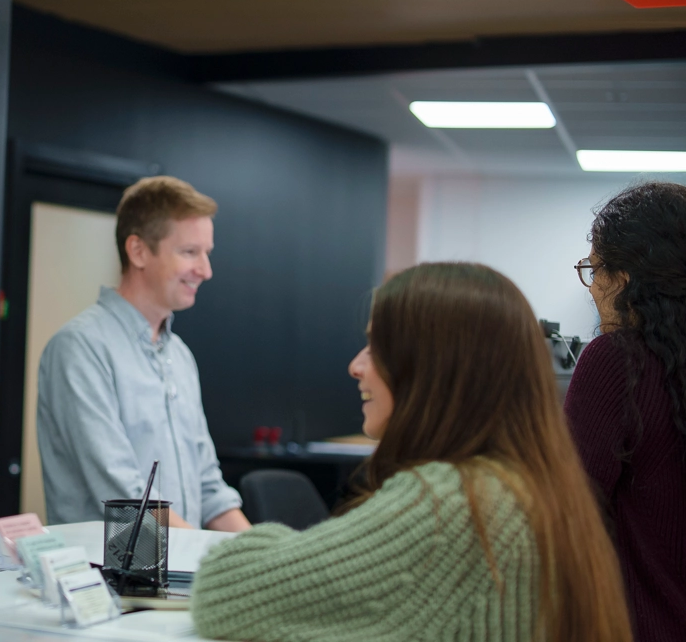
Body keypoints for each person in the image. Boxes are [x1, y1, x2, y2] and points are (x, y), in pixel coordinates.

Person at [191, 263, 631, 642]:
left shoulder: (451, 502)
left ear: (433, 368)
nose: (356, 366)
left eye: (376, 347)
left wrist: (292, 549)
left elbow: (225, 590)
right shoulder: (533, 483)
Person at [36, 176, 248, 531]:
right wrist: (208, 554)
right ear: (138, 251)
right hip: (109, 566)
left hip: (181, 561)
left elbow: (210, 490)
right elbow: (126, 496)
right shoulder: (81, 347)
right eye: (189, 252)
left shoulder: (179, 356)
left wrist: (266, 554)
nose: (205, 270)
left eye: (207, 253)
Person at [566, 182, 686, 641]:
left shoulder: (617, 361)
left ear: (626, 278)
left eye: (594, 269)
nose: (593, 288)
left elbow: (569, 506)